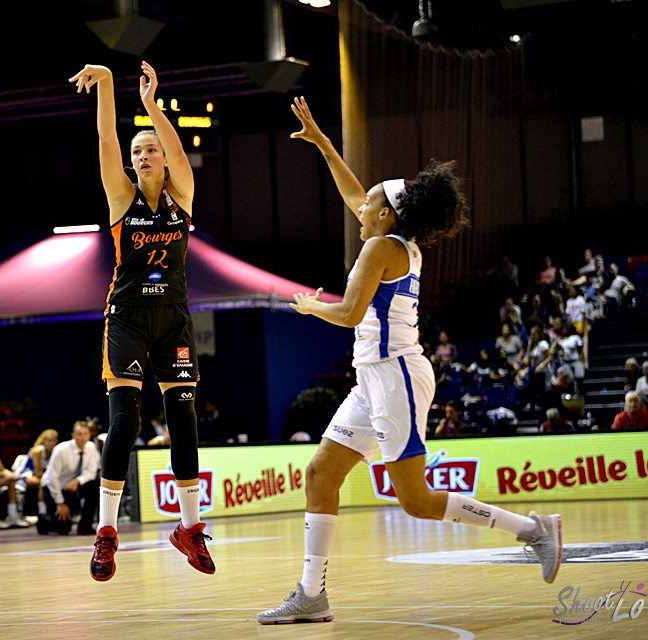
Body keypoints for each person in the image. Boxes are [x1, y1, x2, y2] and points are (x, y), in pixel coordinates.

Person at [256, 97, 562, 625]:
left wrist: (311, 307)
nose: (359, 209)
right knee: (321, 474)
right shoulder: (392, 241)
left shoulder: (382, 249)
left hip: (395, 373)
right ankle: (311, 594)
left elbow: (351, 314)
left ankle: (534, 531)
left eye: (369, 205)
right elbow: (354, 191)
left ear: (387, 214)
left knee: (416, 501)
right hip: (375, 377)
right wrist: (323, 142)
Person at [69, 61, 212, 581]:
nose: (143, 156)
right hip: (127, 318)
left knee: (185, 421)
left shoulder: (183, 197)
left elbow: (175, 149)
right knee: (125, 421)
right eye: (137, 153)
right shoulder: (121, 199)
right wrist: (107, 83)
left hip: (172, 319)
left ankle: (189, 529)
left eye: (149, 149)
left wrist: (152, 105)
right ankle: (106, 534)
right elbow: (107, 137)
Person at [37, 421, 100, 536]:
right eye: (79, 434)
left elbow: (91, 471)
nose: (82, 437)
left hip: (72, 486)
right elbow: (52, 477)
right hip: (54, 488)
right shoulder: (61, 450)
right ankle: (42, 520)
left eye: (85, 434)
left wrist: (77, 481)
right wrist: (60, 502)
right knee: (63, 529)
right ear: (73, 435)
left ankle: (85, 525)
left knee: (94, 486)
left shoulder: (91, 447)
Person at [16, 428, 59, 517]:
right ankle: (42, 512)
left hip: (41, 476)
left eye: (54, 441)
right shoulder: (38, 451)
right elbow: (38, 473)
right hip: (24, 476)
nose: (51, 443)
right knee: (43, 483)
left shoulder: (55, 452)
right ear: (44, 441)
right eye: (49, 441)